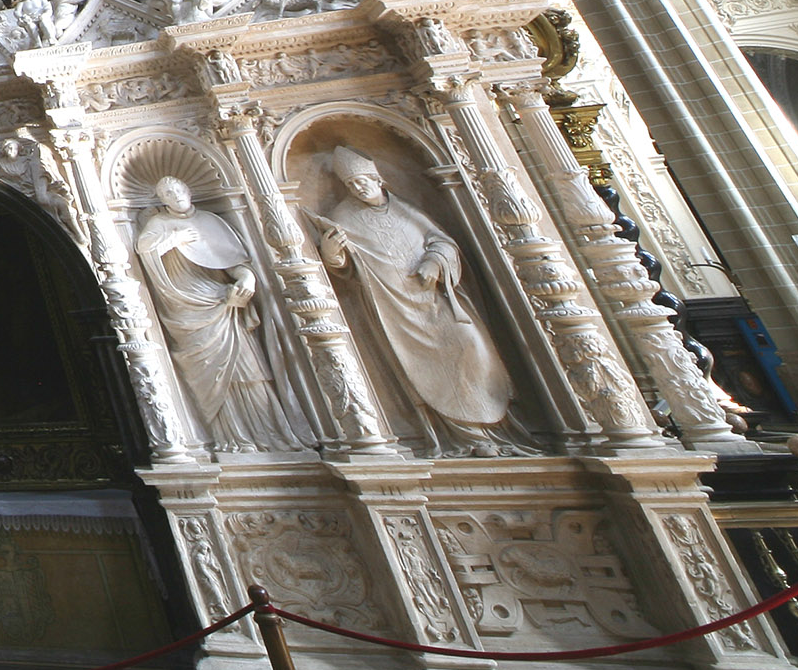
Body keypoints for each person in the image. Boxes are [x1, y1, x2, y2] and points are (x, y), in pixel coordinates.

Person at [309, 148, 521, 454]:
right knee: (423, 369)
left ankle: (498, 428)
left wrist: (434, 263)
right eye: (352, 184)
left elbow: (442, 242)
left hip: (434, 299)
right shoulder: (343, 216)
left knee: (471, 345)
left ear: (377, 178)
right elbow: (345, 267)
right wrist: (331, 252)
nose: (358, 188)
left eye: (362, 181)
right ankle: (469, 438)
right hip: (394, 309)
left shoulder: (406, 211)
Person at [132, 177, 296, 450]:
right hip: (187, 310)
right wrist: (173, 239)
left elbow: (235, 263)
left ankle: (271, 436)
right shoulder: (158, 225)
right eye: (167, 193)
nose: (175, 195)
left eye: (178, 189)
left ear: (188, 189)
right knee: (209, 375)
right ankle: (229, 438)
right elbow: (143, 249)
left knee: (249, 369)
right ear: (162, 200)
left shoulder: (209, 222)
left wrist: (247, 280)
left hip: (223, 305)